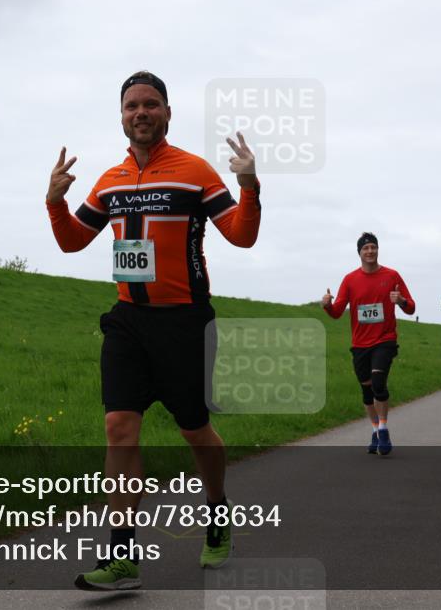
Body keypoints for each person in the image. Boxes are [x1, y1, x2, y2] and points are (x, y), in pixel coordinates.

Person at [46, 71, 261, 590]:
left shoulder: (194, 172)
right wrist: (54, 201)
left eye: (150, 104)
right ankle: (122, 555)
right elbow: (73, 242)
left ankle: (217, 511)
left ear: (167, 112)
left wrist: (249, 186)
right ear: (122, 116)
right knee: (119, 427)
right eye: (131, 106)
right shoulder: (112, 180)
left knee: (194, 429)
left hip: (185, 322)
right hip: (128, 321)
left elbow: (241, 236)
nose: (140, 112)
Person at [322, 233, 416, 456]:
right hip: (360, 343)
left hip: (385, 339)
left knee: (378, 383)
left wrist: (401, 301)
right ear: (359, 253)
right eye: (366, 248)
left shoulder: (392, 275)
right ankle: (374, 429)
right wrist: (326, 306)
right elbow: (337, 312)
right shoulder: (350, 279)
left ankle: (383, 429)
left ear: (378, 250)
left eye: (373, 247)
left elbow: (411, 307)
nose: (370, 251)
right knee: (366, 391)